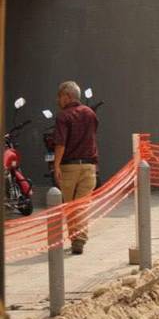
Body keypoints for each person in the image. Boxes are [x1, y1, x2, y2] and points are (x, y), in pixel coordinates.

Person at [53, 81, 99, 255]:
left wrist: (56, 165)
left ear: (67, 96)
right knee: (82, 205)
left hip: (69, 167)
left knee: (70, 206)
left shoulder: (63, 116)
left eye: (60, 96)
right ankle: (79, 240)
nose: (58, 100)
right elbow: (93, 139)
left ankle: (76, 239)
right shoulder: (90, 114)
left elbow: (60, 143)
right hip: (89, 167)